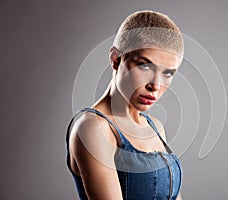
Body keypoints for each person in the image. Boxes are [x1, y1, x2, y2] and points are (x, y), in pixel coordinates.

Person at [66, 10, 184, 200]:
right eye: (145, 65)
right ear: (116, 59)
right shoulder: (93, 128)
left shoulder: (155, 127)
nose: (155, 85)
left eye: (168, 73)